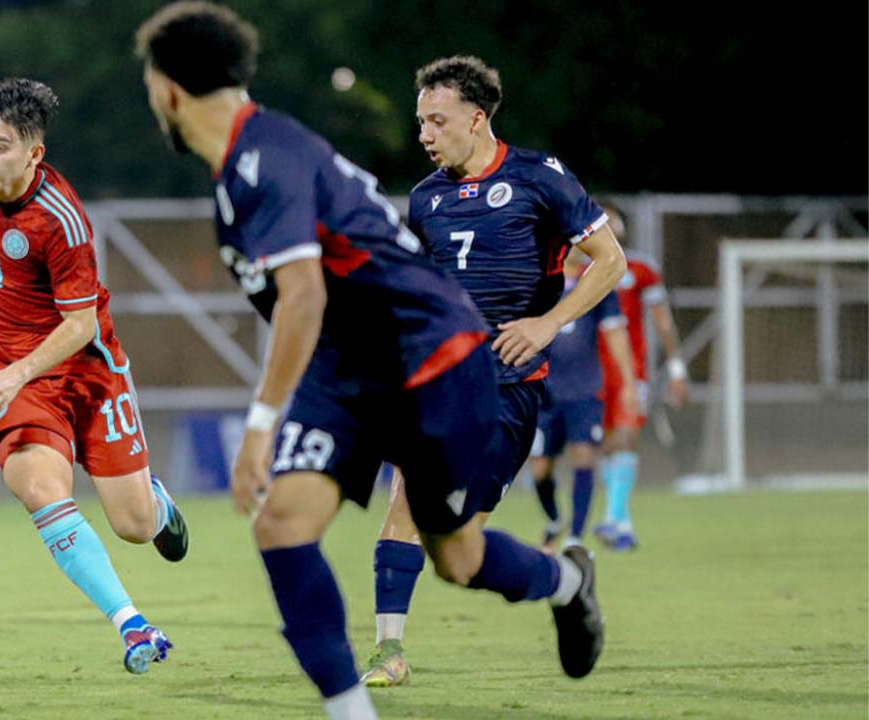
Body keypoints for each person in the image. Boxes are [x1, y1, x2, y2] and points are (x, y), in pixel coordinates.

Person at [136, 6, 611, 717]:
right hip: (352, 366)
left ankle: (568, 586)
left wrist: (261, 424)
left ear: (168, 90)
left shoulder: (267, 159)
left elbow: (302, 297)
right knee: (282, 524)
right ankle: (352, 707)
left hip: (436, 360)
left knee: (458, 559)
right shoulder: (247, 162)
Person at [363, 55, 629, 687]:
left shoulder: (540, 178)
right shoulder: (425, 199)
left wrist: (547, 322)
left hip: (508, 390)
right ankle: (388, 651)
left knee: (457, 555)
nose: (424, 134)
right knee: (403, 499)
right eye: (420, 121)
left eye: (438, 120)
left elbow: (609, 260)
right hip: (436, 384)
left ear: (476, 119)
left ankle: (566, 580)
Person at [0, 78, 188, 675]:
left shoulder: (61, 221)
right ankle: (132, 626)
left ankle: (156, 505)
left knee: (133, 526)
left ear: (34, 155)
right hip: (19, 380)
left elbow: (79, 325)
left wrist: (17, 372)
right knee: (37, 488)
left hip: (87, 372)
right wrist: (11, 377)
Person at [530, 250, 638, 550]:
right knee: (540, 469)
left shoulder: (596, 281)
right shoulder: (538, 279)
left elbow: (615, 333)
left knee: (584, 457)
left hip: (584, 389)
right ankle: (554, 520)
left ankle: (576, 538)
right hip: (543, 390)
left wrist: (629, 383)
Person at [594, 206, 688, 551]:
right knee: (606, 445)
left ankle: (612, 516)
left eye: (610, 218)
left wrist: (677, 370)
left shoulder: (641, 268)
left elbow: (663, 322)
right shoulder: (577, 266)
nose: (606, 224)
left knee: (628, 436)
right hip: (590, 372)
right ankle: (622, 521)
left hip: (632, 371)